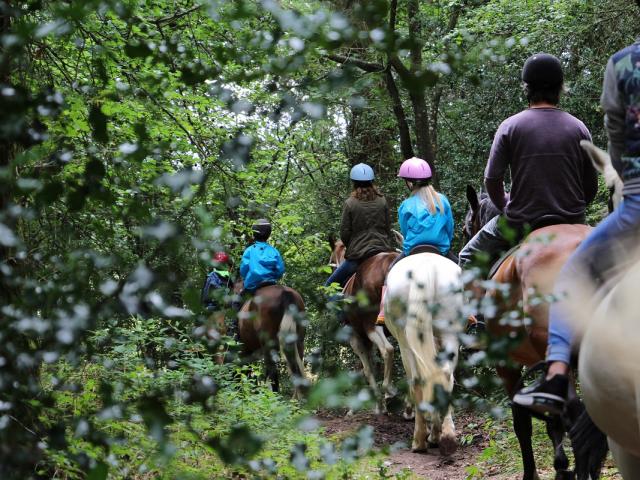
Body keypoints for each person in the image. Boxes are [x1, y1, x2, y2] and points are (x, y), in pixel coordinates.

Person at [514, 41, 640, 414]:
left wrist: (508, 207)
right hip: (575, 214)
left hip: (635, 204)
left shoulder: (623, 63)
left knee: (571, 276)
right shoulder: (574, 125)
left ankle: (555, 376)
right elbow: (588, 180)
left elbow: (615, 144)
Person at [458, 53, 598, 271]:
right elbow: (591, 187)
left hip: (521, 221)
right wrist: (572, 208)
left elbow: (492, 180)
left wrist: (507, 204)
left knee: (467, 256)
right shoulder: (579, 128)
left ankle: (478, 307)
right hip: (572, 220)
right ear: (561, 87)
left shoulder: (510, 127)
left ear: (526, 88)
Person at [376, 157, 455, 322]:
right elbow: (449, 228)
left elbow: (405, 231)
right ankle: (469, 310)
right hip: (440, 250)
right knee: (462, 267)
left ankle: (383, 311)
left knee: (390, 272)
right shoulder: (443, 200)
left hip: (413, 250)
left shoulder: (406, 205)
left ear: (410, 183)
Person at [324, 163, 395, 288]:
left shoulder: (350, 203)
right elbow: (388, 228)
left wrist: (351, 245)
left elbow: (345, 234)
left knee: (328, 287)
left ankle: (340, 305)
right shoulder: (382, 200)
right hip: (383, 249)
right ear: (371, 181)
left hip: (359, 256)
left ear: (354, 183)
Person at [240, 218, 285, 294]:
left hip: (252, 285)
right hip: (270, 283)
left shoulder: (249, 250)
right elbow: (280, 271)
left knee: (238, 302)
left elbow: (243, 270)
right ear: (268, 234)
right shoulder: (274, 251)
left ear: (254, 233)